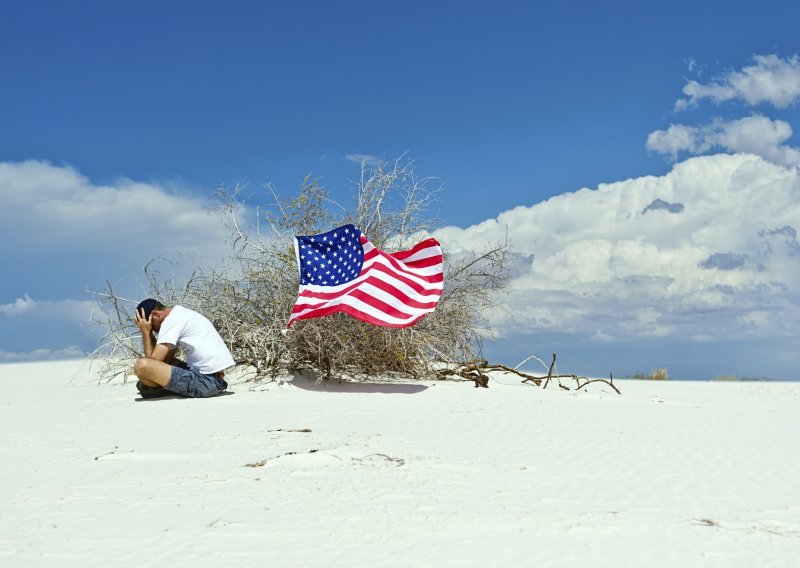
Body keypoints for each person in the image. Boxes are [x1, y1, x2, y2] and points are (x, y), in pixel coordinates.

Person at [132, 298, 235, 399]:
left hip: (206, 382)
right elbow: (163, 362)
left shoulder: (171, 321)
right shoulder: (180, 314)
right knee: (147, 378)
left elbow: (150, 365)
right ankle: (162, 388)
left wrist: (146, 332)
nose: (154, 331)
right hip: (213, 380)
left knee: (141, 366)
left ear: (156, 315)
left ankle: (162, 389)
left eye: (152, 326)